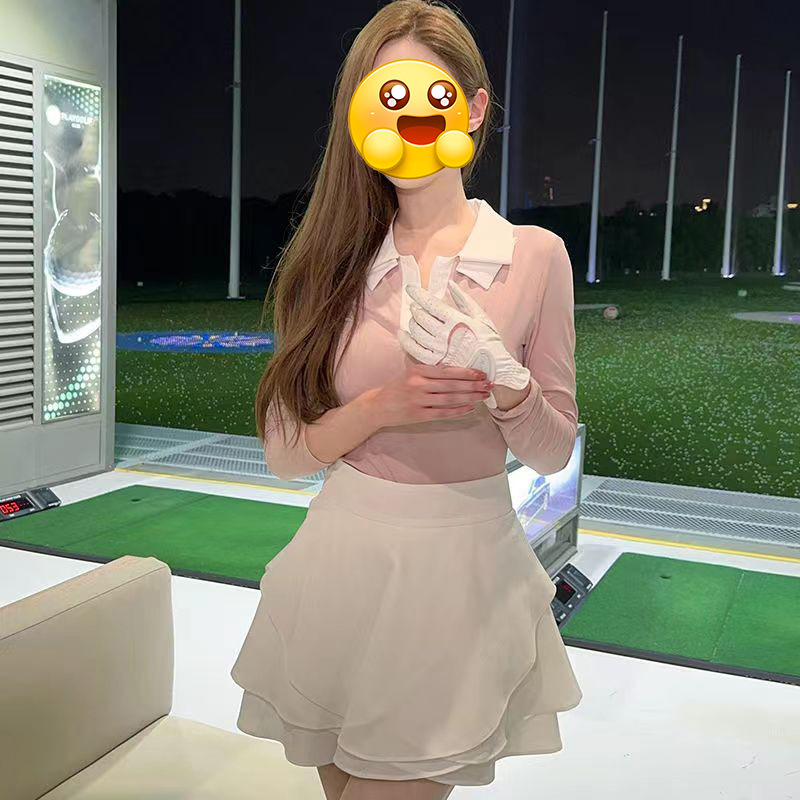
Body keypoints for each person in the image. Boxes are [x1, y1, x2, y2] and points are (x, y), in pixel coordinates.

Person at [230, 1, 582, 798]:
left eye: (429, 95)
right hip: (340, 561)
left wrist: (508, 385)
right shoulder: (329, 263)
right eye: (383, 98)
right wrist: (382, 406)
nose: (409, 121)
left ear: (474, 108)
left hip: (464, 575)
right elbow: (286, 455)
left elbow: (553, 449)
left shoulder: (534, 257)